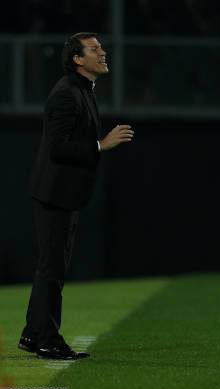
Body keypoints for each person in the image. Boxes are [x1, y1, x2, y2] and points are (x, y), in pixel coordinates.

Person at [18, 33, 134, 360]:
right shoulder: (68, 94)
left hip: (61, 194)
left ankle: (33, 334)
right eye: (95, 49)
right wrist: (101, 145)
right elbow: (56, 148)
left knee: (50, 267)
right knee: (51, 269)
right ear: (78, 59)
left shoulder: (80, 90)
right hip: (54, 194)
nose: (103, 52)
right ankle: (47, 340)